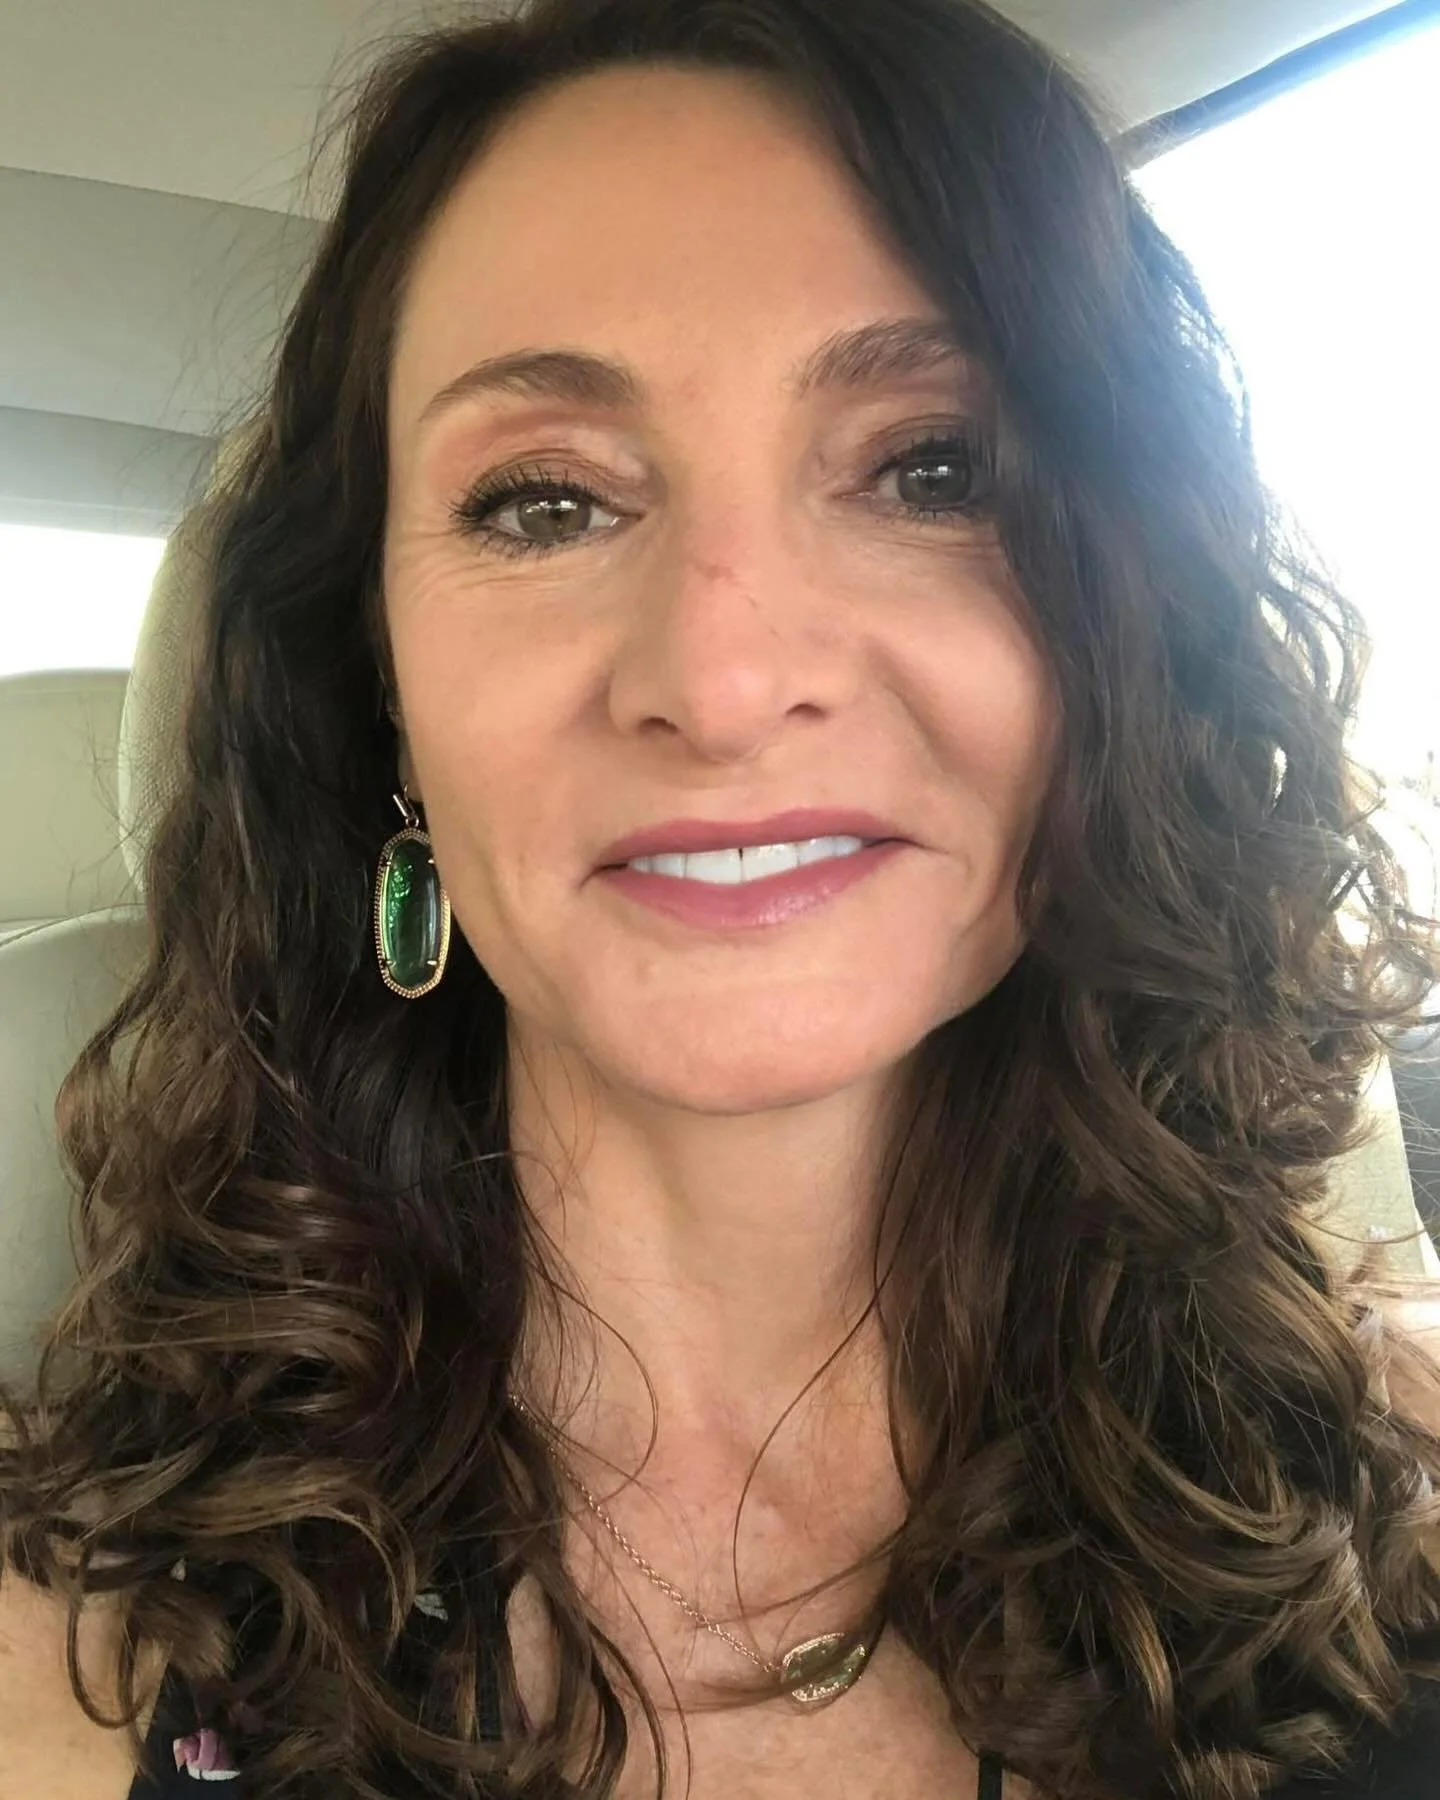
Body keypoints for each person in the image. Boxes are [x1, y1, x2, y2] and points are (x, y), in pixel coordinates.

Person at [3, 0, 1440, 1795]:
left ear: (1126, 640)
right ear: (378, 688)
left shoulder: (1395, 1502)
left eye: (932, 468)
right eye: (544, 503)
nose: (726, 679)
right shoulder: (62, 1652)